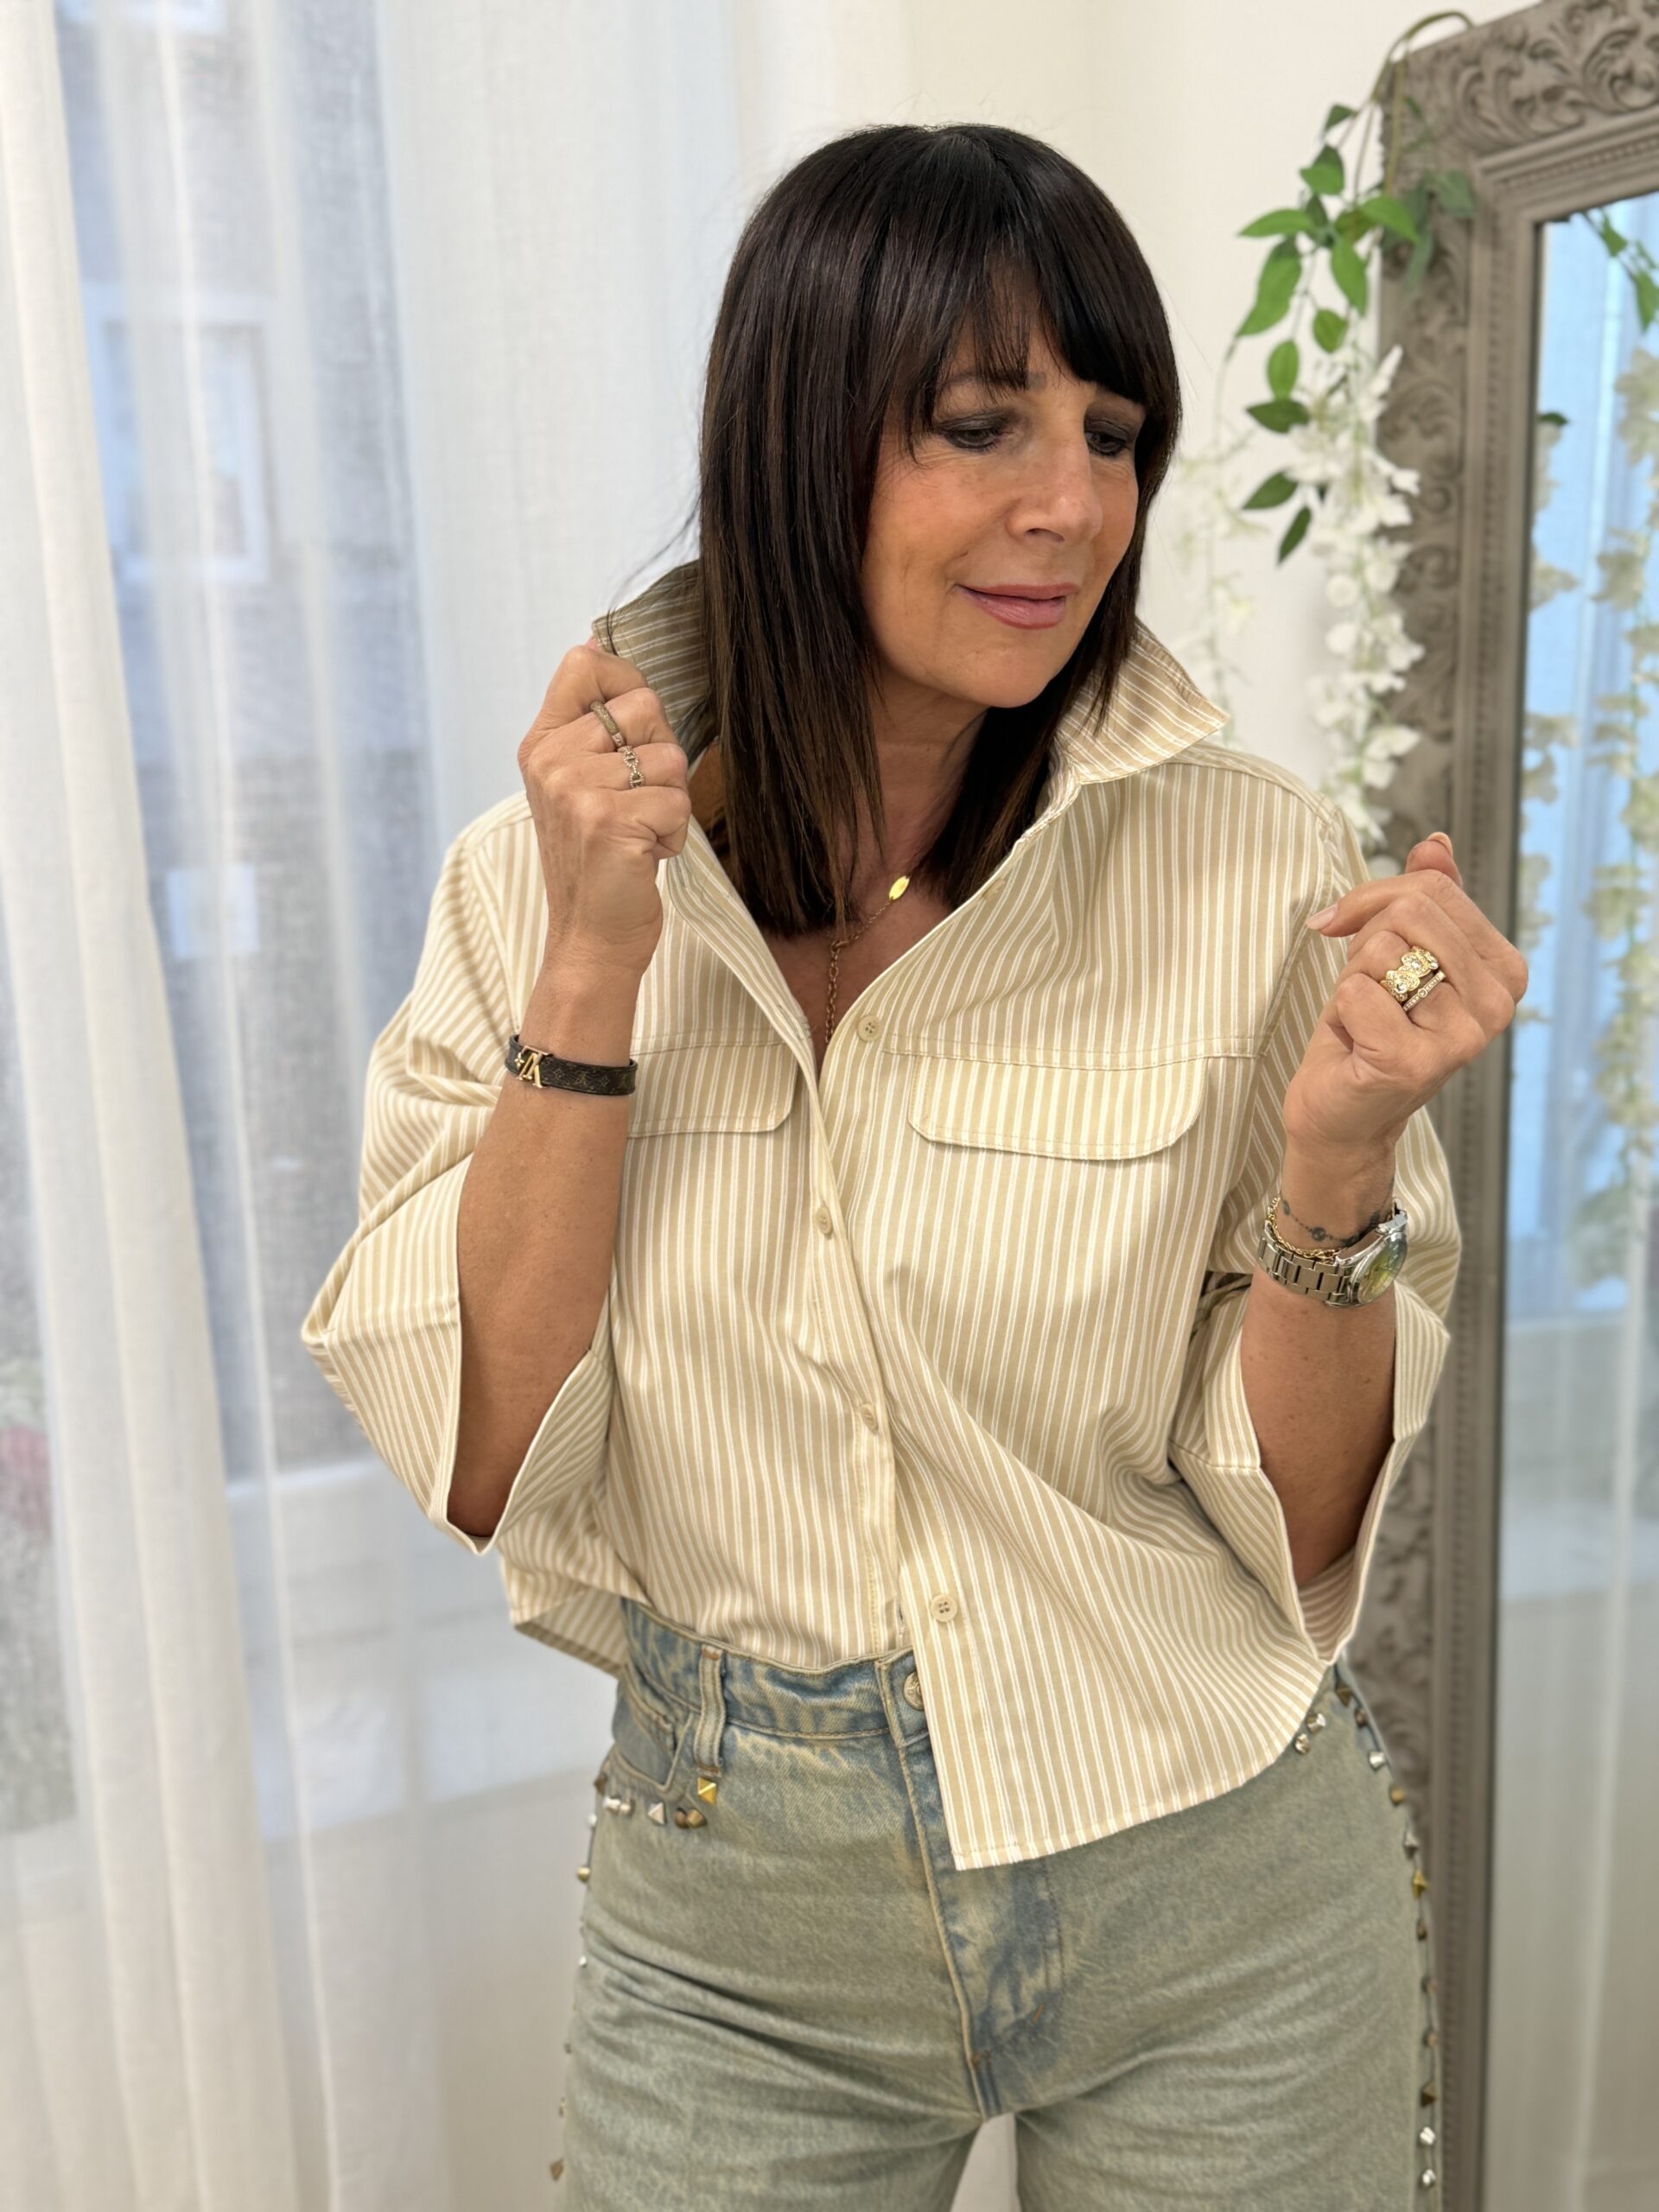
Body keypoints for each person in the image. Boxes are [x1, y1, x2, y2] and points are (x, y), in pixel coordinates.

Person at [302, 120, 1523, 2209]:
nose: (1074, 503)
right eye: (982, 425)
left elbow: (1307, 1517)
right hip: (736, 1931)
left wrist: (1336, 1164)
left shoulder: (1249, 860)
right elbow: (485, 1442)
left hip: (1213, 1874)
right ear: (801, 439)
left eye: (1113, 433)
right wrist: (596, 960)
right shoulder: (540, 879)